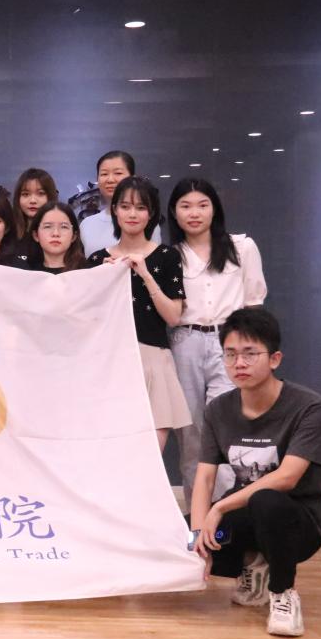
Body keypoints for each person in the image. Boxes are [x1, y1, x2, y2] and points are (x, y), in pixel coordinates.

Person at [191, 308, 321, 638]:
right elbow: (205, 477)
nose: (239, 363)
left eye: (250, 353)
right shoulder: (218, 409)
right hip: (246, 516)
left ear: (274, 359)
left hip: (299, 522)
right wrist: (197, 535)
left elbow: (287, 477)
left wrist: (219, 507)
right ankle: (253, 564)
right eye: (230, 354)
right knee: (181, 533)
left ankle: (283, 593)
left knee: (266, 501)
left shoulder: (309, 406)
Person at [168, 178, 268, 506]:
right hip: (184, 341)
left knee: (227, 425)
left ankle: (228, 515)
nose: (194, 213)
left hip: (230, 342)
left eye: (202, 205)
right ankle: (199, 517)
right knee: (191, 432)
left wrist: (251, 352)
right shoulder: (170, 255)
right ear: (174, 212)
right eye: (185, 206)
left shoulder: (242, 247)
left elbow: (254, 302)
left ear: (215, 208)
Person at [88, 176, 191, 450]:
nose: (132, 214)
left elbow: (173, 317)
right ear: (114, 210)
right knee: (111, 451)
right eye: (125, 206)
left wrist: (145, 274)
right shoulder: (97, 260)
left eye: (141, 207)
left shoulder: (167, 256)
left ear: (151, 213)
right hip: (108, 361)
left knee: (152, 452)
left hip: (153, 357)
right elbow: (86, 321)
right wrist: (102, 278)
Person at [79, 150, 161, 256]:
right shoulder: (87, 224)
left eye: (118, 173)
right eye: (104, 174)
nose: (110, 179)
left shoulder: (143, 221)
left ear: (132, 177)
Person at [12, 202, 87, 274]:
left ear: (74, 236)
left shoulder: (87, 273)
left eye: (64, 227)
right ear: (36, 235)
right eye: (47, 227)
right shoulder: (23, 272)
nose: (55, 233)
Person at [10, 168, 59, 257]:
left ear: (50, 197)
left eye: (40, 193)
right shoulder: (8, 232)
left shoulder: (60, 235)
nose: (32, 200)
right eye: (26, 194)